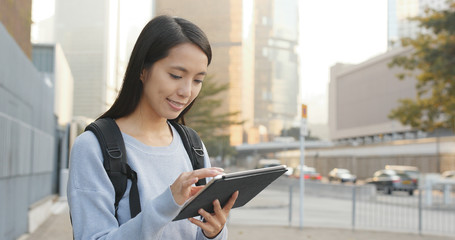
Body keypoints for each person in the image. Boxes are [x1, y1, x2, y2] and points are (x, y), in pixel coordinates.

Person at [67, 15, 239, 240]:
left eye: (198, 80)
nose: (187, 91)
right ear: (142, 70)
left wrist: (214, 233)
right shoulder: (93, 147)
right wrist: (168, 203)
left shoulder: (193, 146)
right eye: (176, 75)